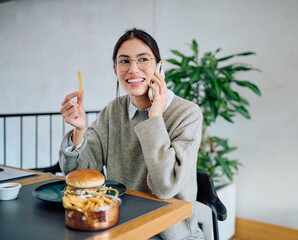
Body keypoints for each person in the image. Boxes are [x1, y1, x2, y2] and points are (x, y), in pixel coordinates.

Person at [59, 28, 204, 240]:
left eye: (143, 59)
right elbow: (81, 176)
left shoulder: (187, 113)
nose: (133, 69)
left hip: (171, 233)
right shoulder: (112, 111)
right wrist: (79, 130)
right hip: (121, 225)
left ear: (159, 66)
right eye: (124, 61)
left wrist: (155, 117)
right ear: (115, 70)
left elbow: (165, 187)